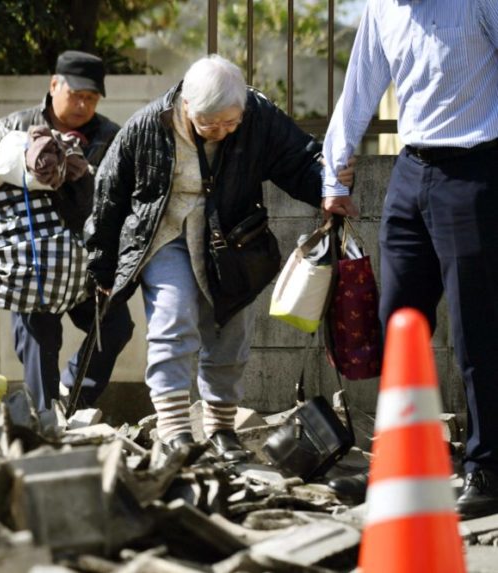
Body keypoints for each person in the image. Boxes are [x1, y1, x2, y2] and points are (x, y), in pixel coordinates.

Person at [87, 54, 353, 460]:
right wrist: (102, 265)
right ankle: (175, 428)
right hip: (166, 234)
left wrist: (328, 187)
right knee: (172, 320)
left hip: (232, 236)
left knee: (231, 329)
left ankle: (221, 427)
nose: (222, 132)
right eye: (211, 124)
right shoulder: (148, 125)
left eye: (231, 123)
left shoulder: (258, 115)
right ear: (187, 105)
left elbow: (296, 159)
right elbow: (109, 194)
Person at [320, 0, 498, 519]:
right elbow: (359, 89)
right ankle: (401, 463)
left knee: (475, 330)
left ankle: (487, 467)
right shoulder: (383, 9)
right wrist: (333, 176)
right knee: (398, 322)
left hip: (475, 170)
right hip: (410, 173)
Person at [0, 50, 134, 412]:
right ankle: (44, 420)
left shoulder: (111, 137)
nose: (83, 105)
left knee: (116, 326)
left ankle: (72, 397)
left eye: (91, 98)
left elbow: (124, 202)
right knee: (39, 338)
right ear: (54, 84)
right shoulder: (14, 128)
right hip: (34, 264)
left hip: (87, 266)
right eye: (76, 95)